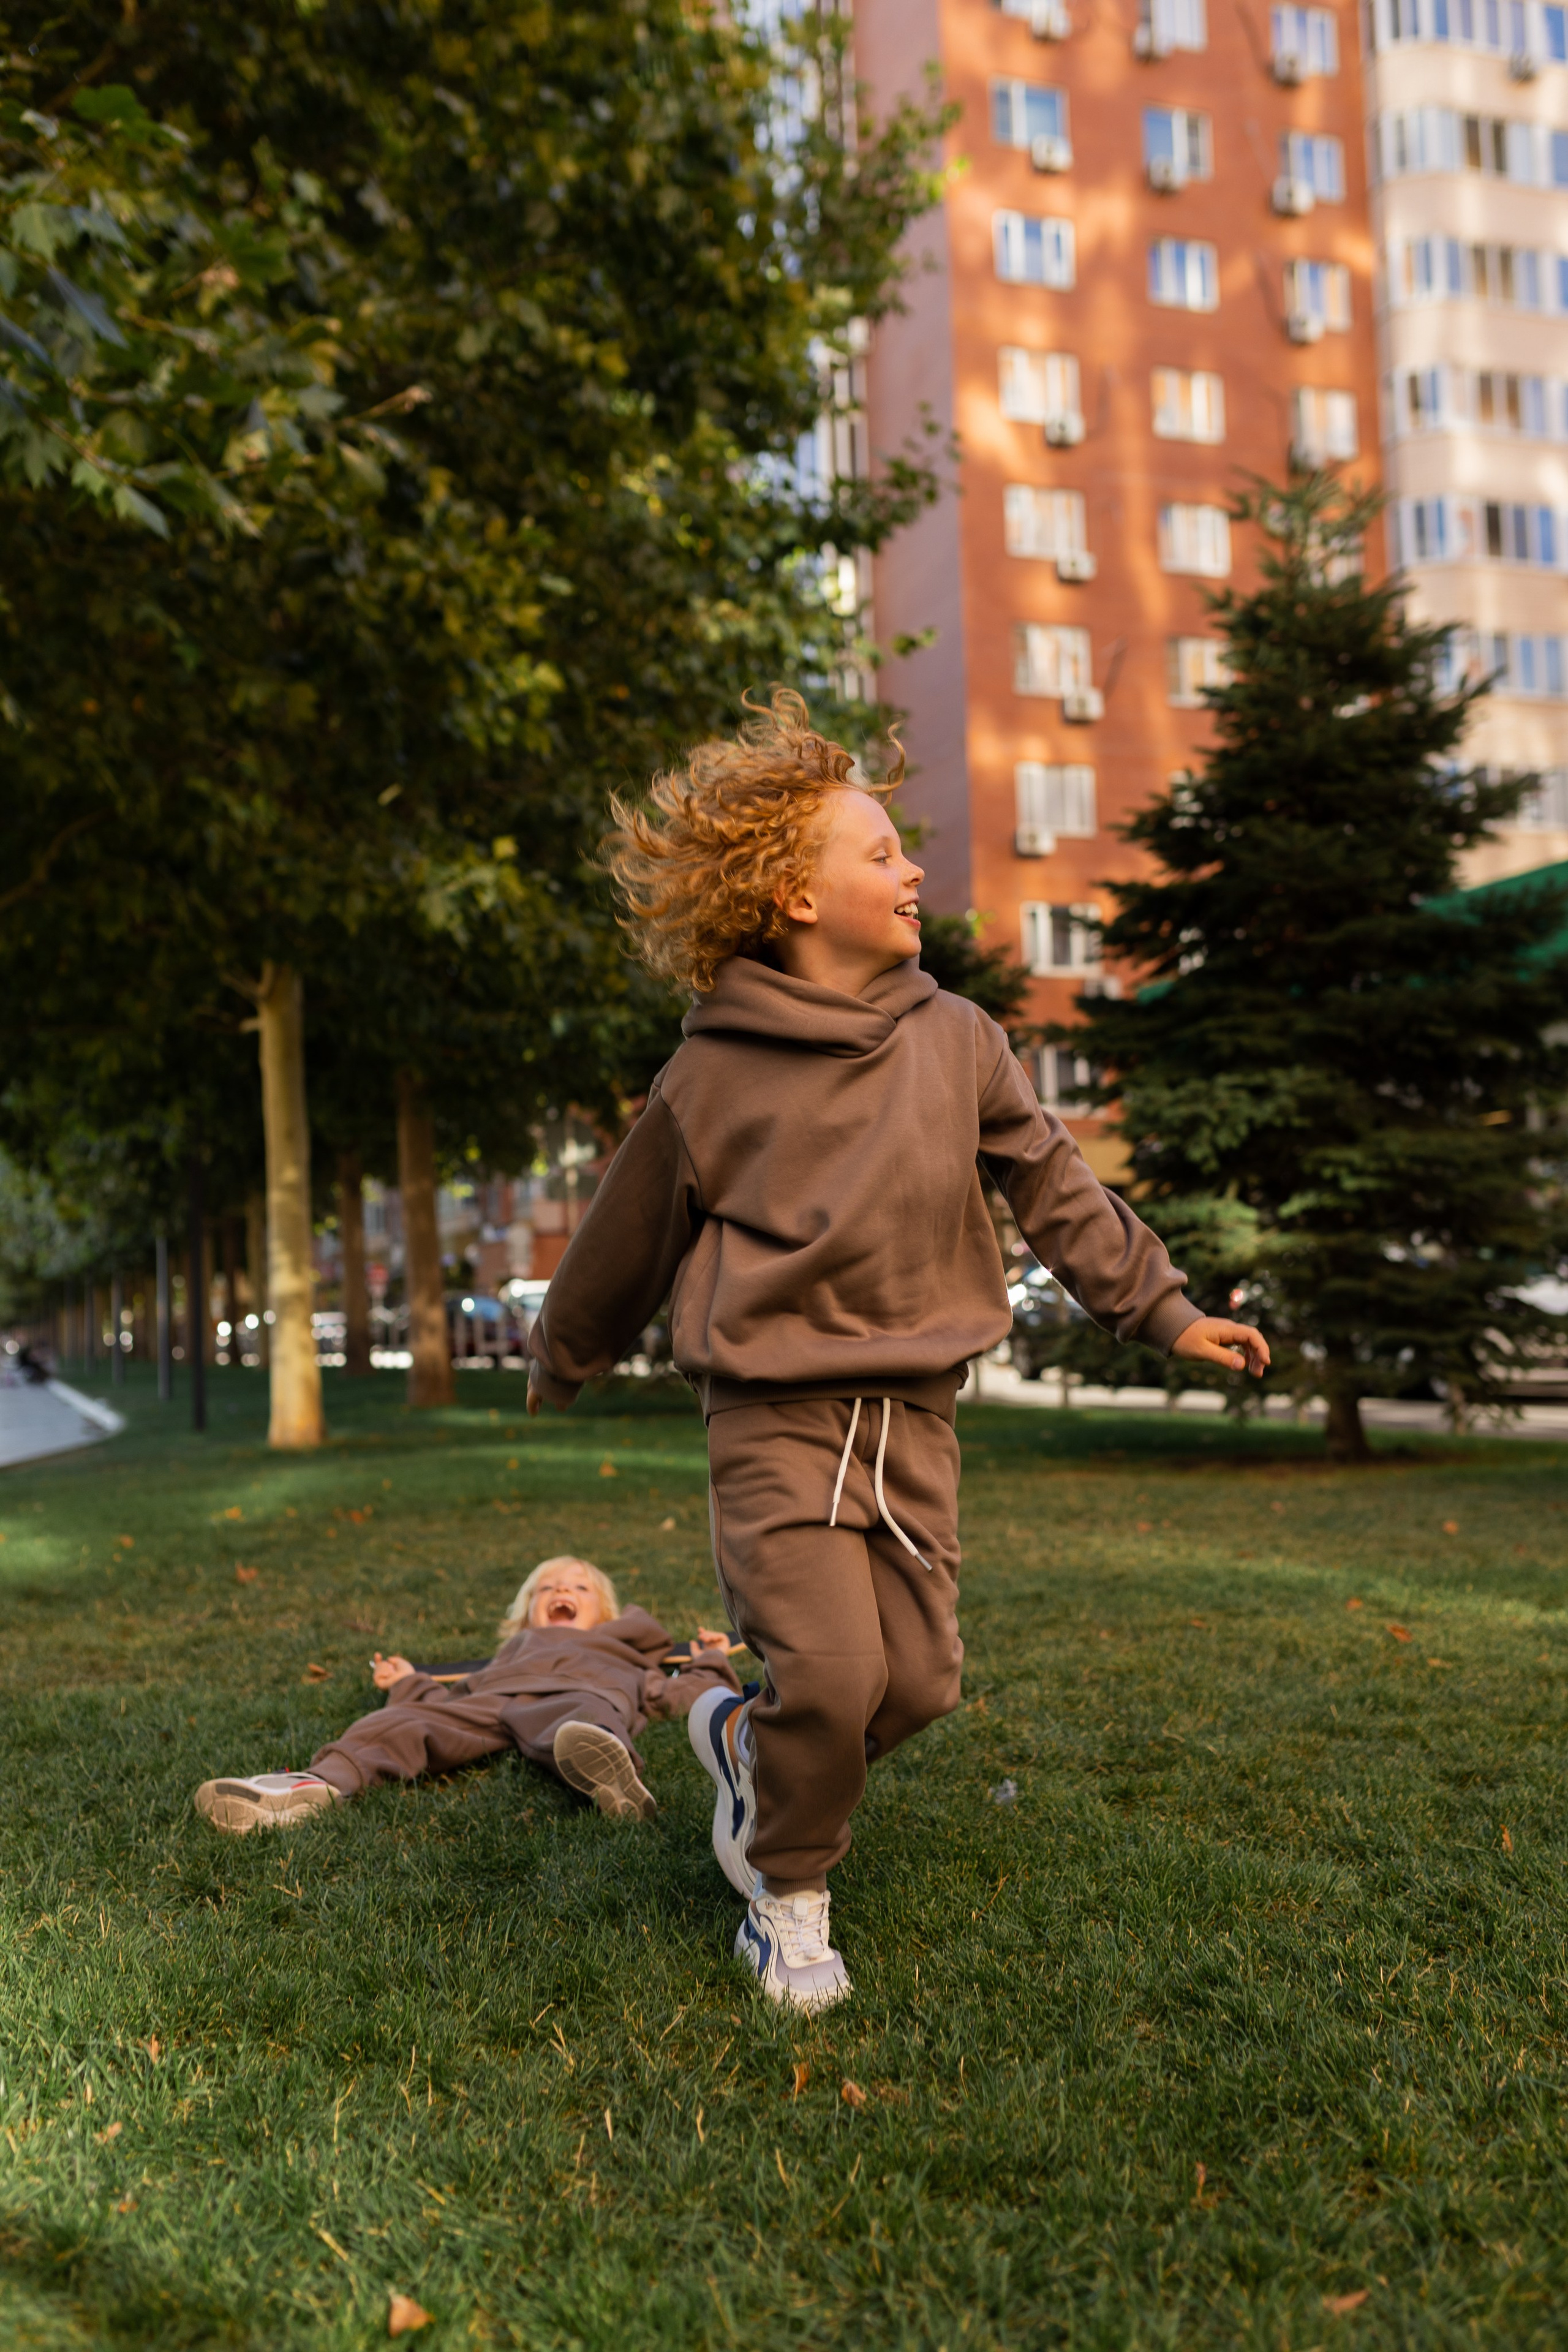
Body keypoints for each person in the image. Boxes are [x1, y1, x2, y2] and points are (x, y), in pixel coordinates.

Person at [526, 690, 1269, 2012]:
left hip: (910, 1424)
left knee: (916, 1685)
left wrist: (1159, 1305)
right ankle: (787, 1890)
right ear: (791, 897)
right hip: (772, 1422)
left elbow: (1055, 1189)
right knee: (836, 1673)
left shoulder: (959, 1041)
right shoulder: (711, 1077)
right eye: (878, 853)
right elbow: (625, 1230)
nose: (912, 867)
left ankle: (739, 1739)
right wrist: (565, 1346)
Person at [192, 1555, 741, 1834]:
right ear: (527, 1613)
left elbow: (682, 1694)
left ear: (608, 1612)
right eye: (547, 1588)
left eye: (578, 1587)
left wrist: (710, 1658)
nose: (561, 1592)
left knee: (587, 1718)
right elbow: (438, 1705)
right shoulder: (506, 1655)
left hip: (582, 1696)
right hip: (492, 1700)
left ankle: (607, 1769)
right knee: (398, 1725)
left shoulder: (626, 1653)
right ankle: (311, 1787)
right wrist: (406, 1682)